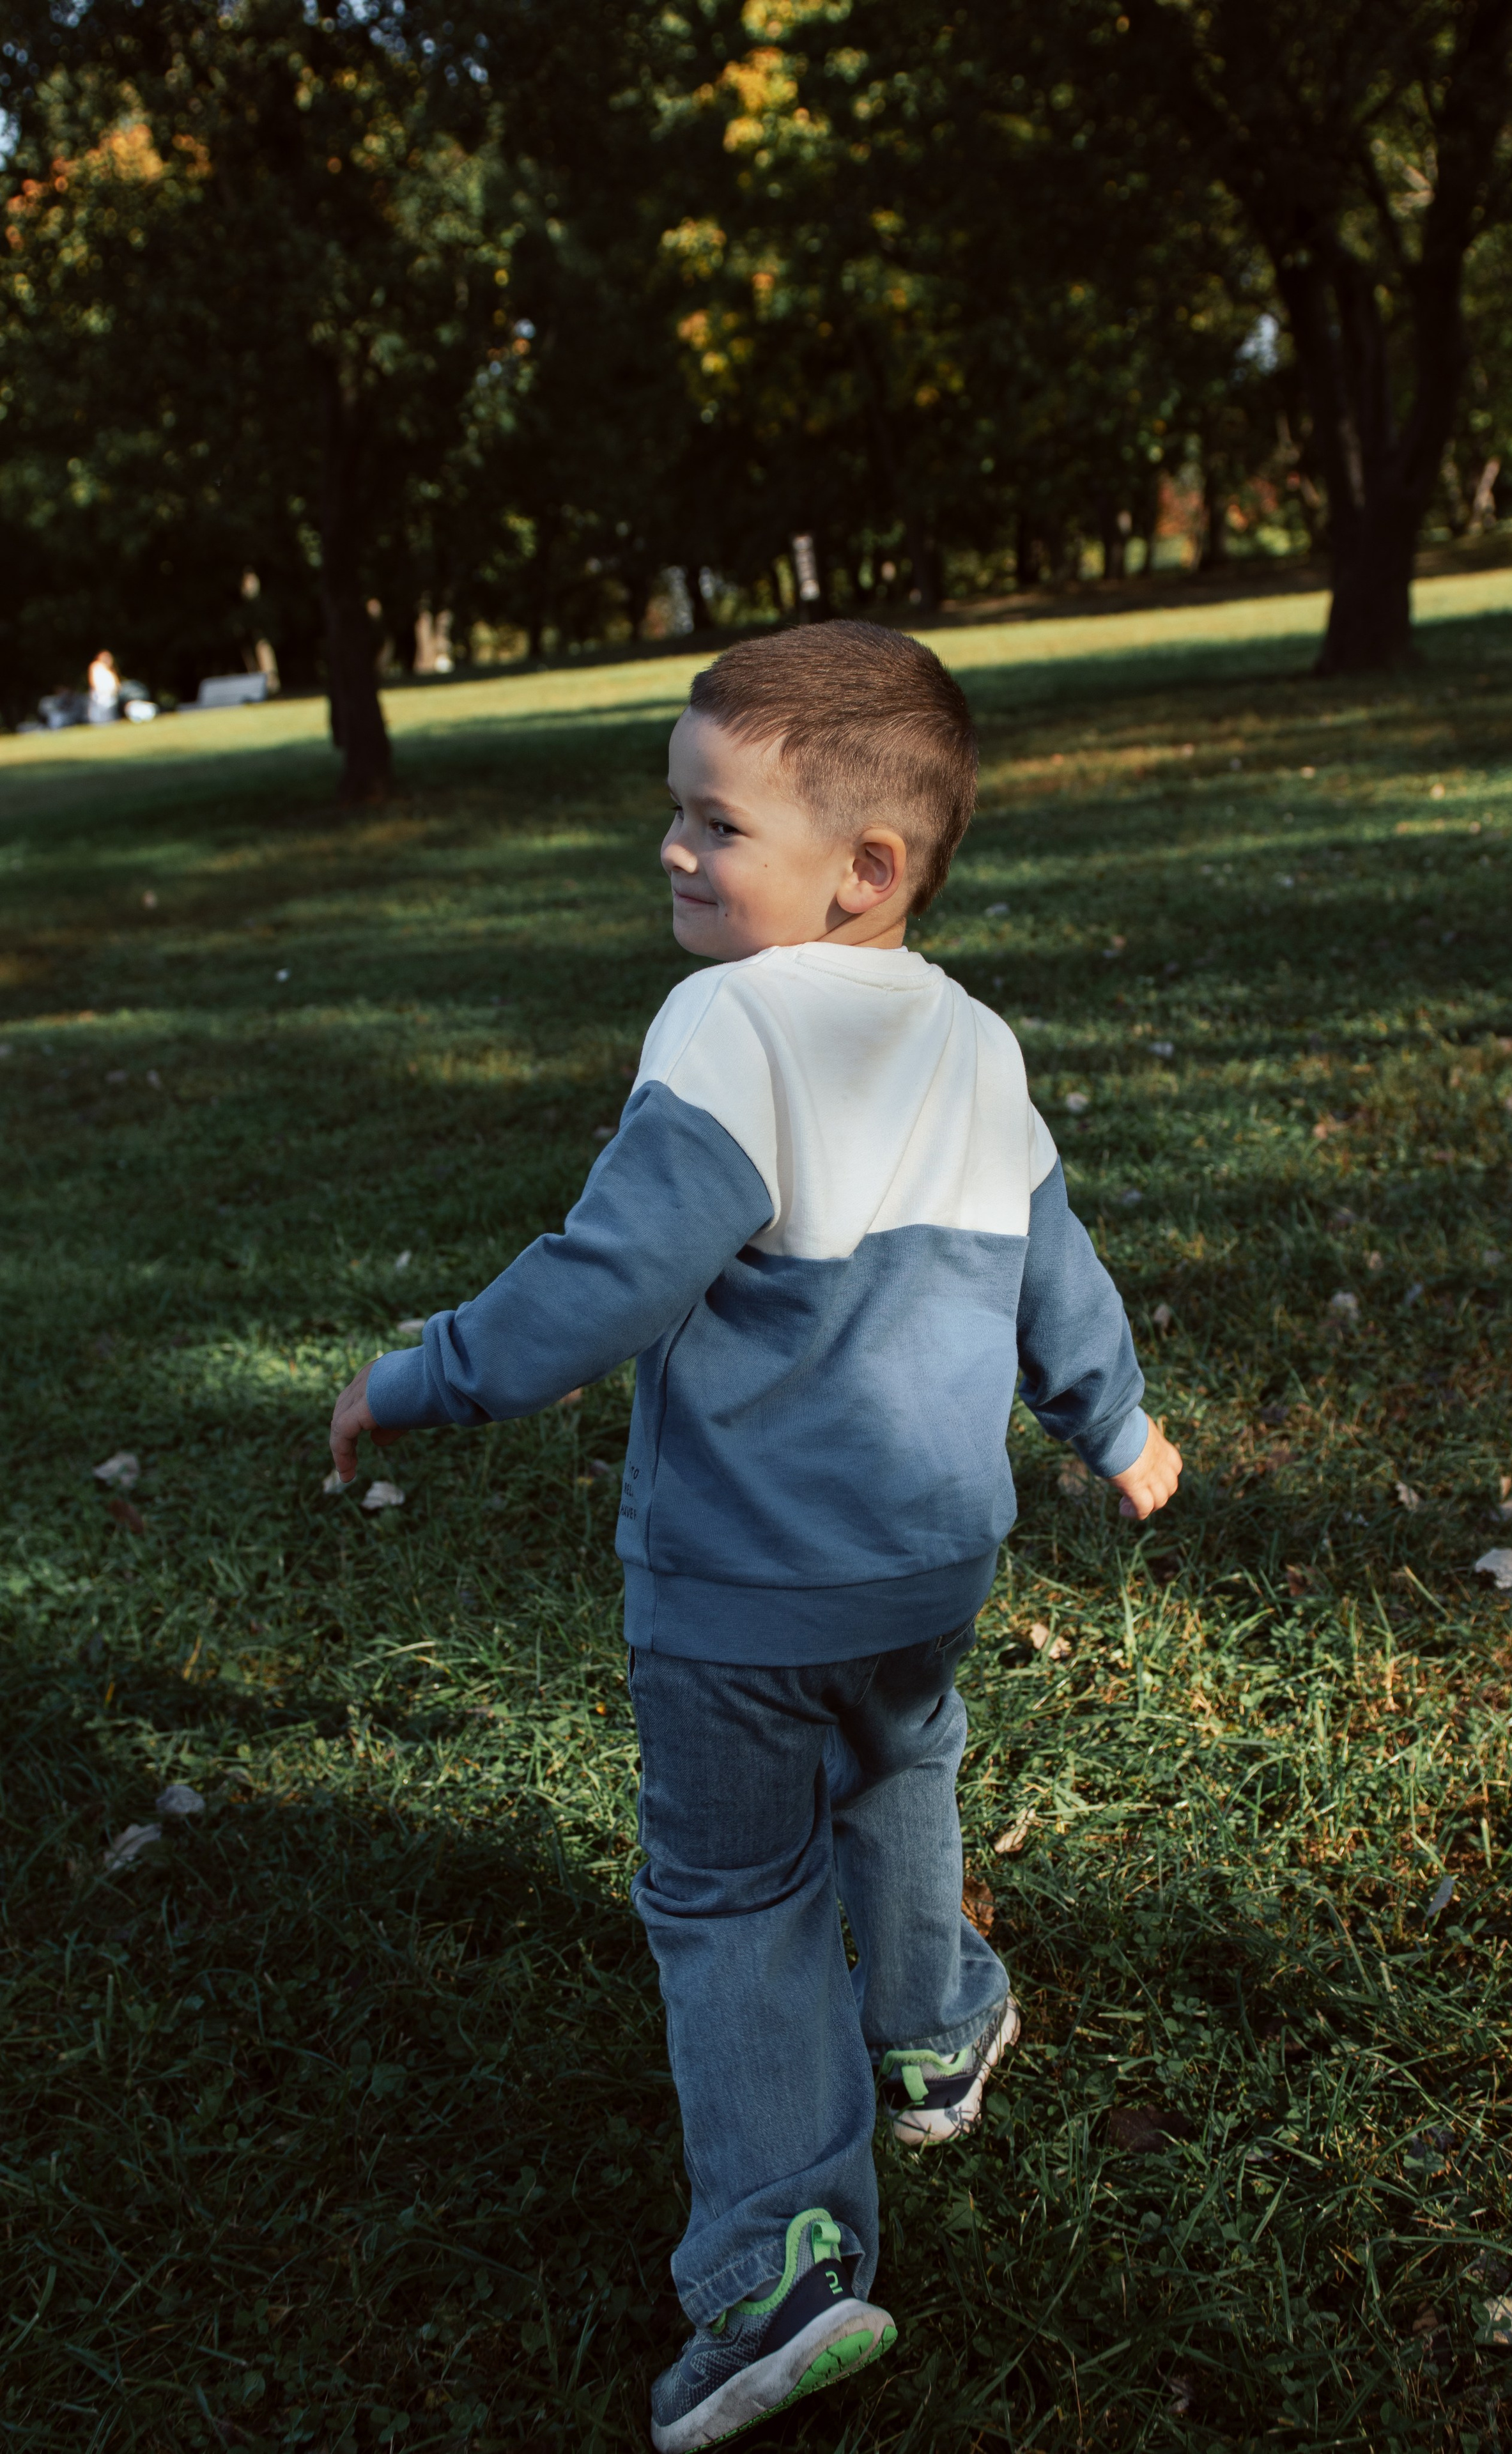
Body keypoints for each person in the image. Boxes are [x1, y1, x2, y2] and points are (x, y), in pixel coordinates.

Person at [328, 621, 1182, 2451]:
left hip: (742, 1589)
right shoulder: (971, 1035)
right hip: (931, 1562)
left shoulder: (729, 1022)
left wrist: (424, 1380)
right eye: (675, 814)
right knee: (897, 1768)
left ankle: (783, 2260)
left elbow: (615, 1277)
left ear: (865, 870)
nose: (674, 851)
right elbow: (1058, 1267)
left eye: (714, 824)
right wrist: (1115, 1424)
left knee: (733, 1898)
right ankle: (942, 2029)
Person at [88, 649, 122, 723]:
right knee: (100, 711)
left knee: (110, 710)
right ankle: (100, 724)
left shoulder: (109, 669)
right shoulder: (96, 666)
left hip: (110, 693)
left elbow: (115, 680)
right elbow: (92, 679)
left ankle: (110, 722)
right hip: (100, 693)